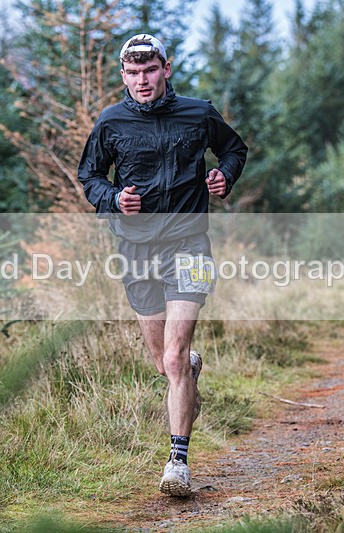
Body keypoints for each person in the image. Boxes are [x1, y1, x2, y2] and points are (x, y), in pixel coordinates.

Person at [77, 33, 247, 497]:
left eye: (149, 70)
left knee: (173, 357)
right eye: (132, 74)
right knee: (164, 362)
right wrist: (113, 198)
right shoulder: (111, 122)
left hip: (189, 245)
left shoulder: (198, 112)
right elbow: (89, 176)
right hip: (135, 250)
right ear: (123, 76)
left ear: (166, 68)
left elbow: (235, 150)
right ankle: (187, 375)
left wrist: (223, 175)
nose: (142, 80)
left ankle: (178, 463)